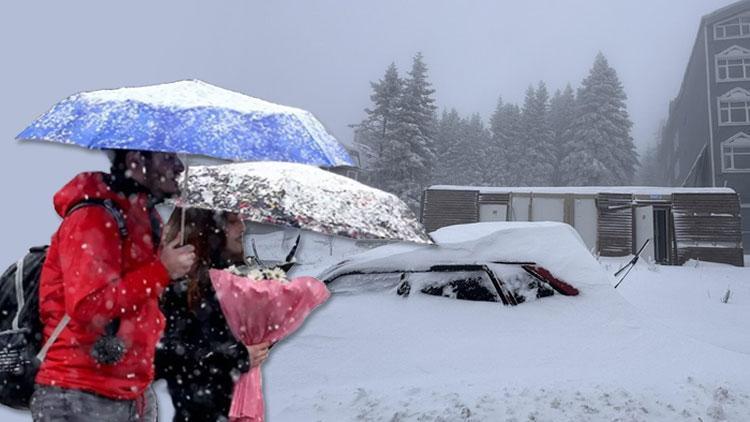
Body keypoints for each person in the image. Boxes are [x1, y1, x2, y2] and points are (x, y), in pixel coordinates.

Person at [31, 150, 197, 422]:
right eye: (167, 158)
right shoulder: (93, 217)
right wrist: (161, 270)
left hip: (134, 393)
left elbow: (139, 299)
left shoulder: (144, 217)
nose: (179, 166)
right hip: (82, 394)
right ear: (135, 160)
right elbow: (88, 305)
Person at [157, 208, 271, 422]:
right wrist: (234, 357)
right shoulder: (179, 288)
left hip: (240, 408)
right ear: (209, 228)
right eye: (232, 220)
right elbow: (163, 356)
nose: (243, 227)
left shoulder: (234, 280)